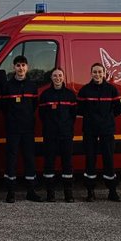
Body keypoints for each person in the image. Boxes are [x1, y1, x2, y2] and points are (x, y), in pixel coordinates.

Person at [78, 63, 121, 202]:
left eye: (99, 72)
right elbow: (79, 110)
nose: (97, 74)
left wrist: (107, 119)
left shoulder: (111, 90)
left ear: (104, 73)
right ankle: (90, 191)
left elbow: (119, 109)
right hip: (90, 131)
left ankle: (112, 191)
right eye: (94, 72)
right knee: (90, 160)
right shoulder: (85, 90)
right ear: (91, 73)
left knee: (109, 160)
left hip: (107, 131)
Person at [1, 55, 40, 203]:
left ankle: (31, 191)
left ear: (27, 67)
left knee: (29, 159)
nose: (21, 68)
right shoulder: (8, 86)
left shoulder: (32, 86)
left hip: (28, 129)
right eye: (18, 65)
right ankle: (10, 192)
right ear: (14, 67)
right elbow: (4, 107)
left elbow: (34, 105)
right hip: (12, 129)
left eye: (23, 65)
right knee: (11, 159)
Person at [38, 67, 79, 202]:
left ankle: (68, 194)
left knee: (67, 164)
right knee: (49, 164)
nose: (57, 78)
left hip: (66, 135)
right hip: (50, 135)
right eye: (55, 76)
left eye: (60, 75)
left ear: (63, 77)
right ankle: (50, 194)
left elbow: (73, 115)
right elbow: (42, 115)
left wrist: (66, 128)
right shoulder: (45, 95)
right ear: (51, 78)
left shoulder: (70, 95)